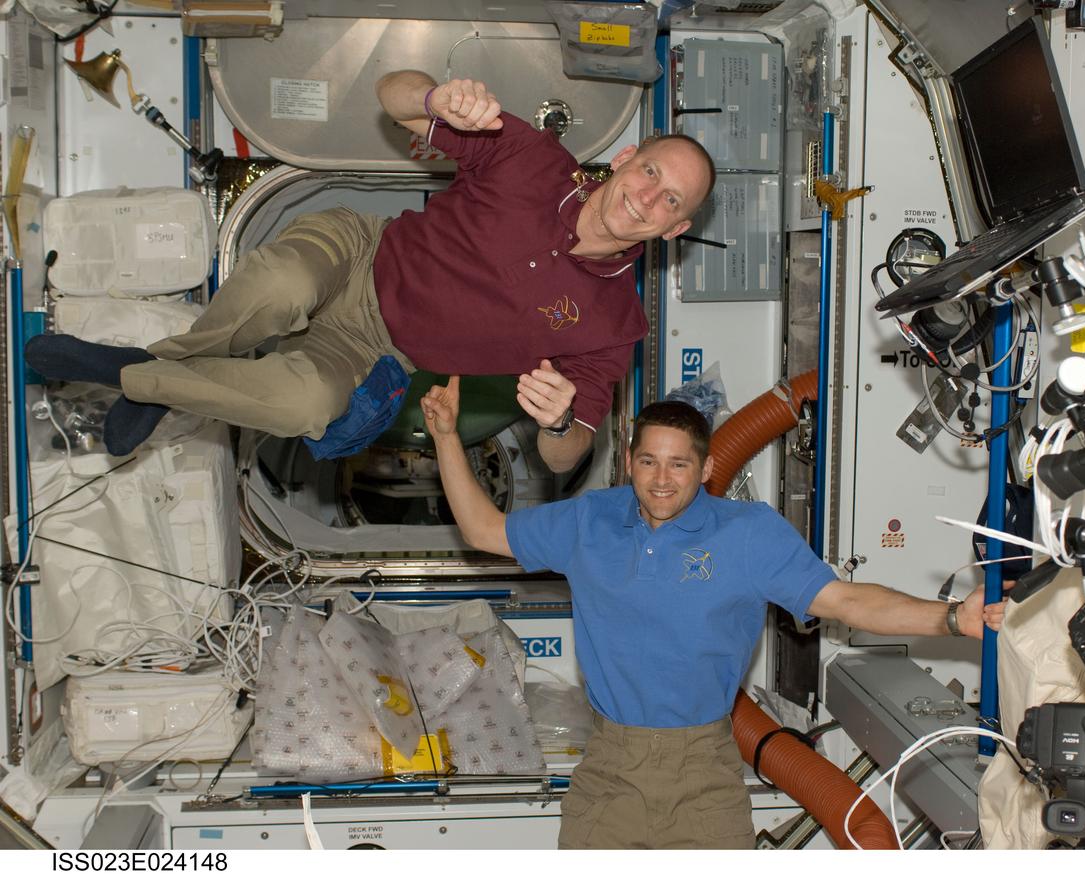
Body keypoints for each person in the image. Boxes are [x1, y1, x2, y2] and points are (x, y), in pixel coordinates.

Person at [421, 379, 1006, 849]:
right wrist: (446, 437)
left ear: (705, 470)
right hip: (608, 770)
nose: (661, 480)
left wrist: (952, 619)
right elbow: (482, 528)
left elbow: (845, 600)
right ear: (628, 462)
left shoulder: (747, 535)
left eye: (678, 465)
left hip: (702, 773)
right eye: (648, 462)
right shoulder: (587, 522)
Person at [25, 74, 715, 469]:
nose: (648, 197)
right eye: (651, 172)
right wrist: (438, 96)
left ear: (676, 230)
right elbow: (394, 92)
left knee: (303, 407)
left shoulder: (614, 325)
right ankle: (163, 376)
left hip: (375, 348)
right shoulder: (531, 157)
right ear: (625, 159)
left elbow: (568, 457)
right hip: (359, 253)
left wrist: (562, 423)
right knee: (278, 288)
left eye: (671, 201)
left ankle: (139, 377)